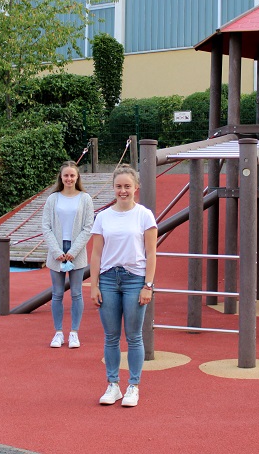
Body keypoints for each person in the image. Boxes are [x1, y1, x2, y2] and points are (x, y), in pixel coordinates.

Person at [89, 164, 157, 407]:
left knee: (134, 336)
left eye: (127, 186)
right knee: (110, 336)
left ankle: (133, 386)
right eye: (119, 186)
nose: (123, 191)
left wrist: (148, 285)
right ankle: (113, 385)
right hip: (108, 279)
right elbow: (96, 254)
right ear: (113, 188)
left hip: (134, 279)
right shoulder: (103, 216)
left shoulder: (144, 215)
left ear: (136, 187)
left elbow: (151, 253)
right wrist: (93, 284)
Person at [42, 161, 94, 348]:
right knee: (56, 294)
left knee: (77, 293)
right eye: (66, 175)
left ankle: (74, 332)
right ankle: (58, 332)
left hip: (76, 251)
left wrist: (73, 251)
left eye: (72, 175)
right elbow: (46, 226)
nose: (69, 179)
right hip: (57, 249)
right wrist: (56, 250)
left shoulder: (85, 199)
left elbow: (88, 227)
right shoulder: (53, 199)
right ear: (61, 177)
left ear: (77, 177)